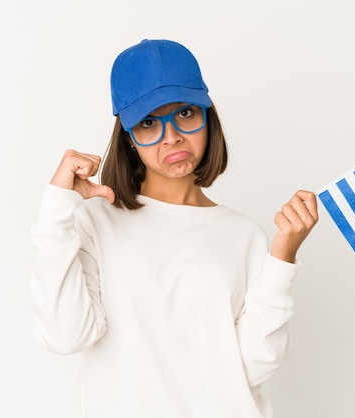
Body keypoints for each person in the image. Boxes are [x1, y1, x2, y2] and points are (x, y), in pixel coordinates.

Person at [30, 39, 318, 418]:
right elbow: (65, 336)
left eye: (185, 113)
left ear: (207, 115)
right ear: (129, 139)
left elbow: (251, 368)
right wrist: (56, 208)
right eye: (149, 122)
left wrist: (283, 257)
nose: (172, 136)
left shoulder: (243, 234)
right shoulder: (94, 222)